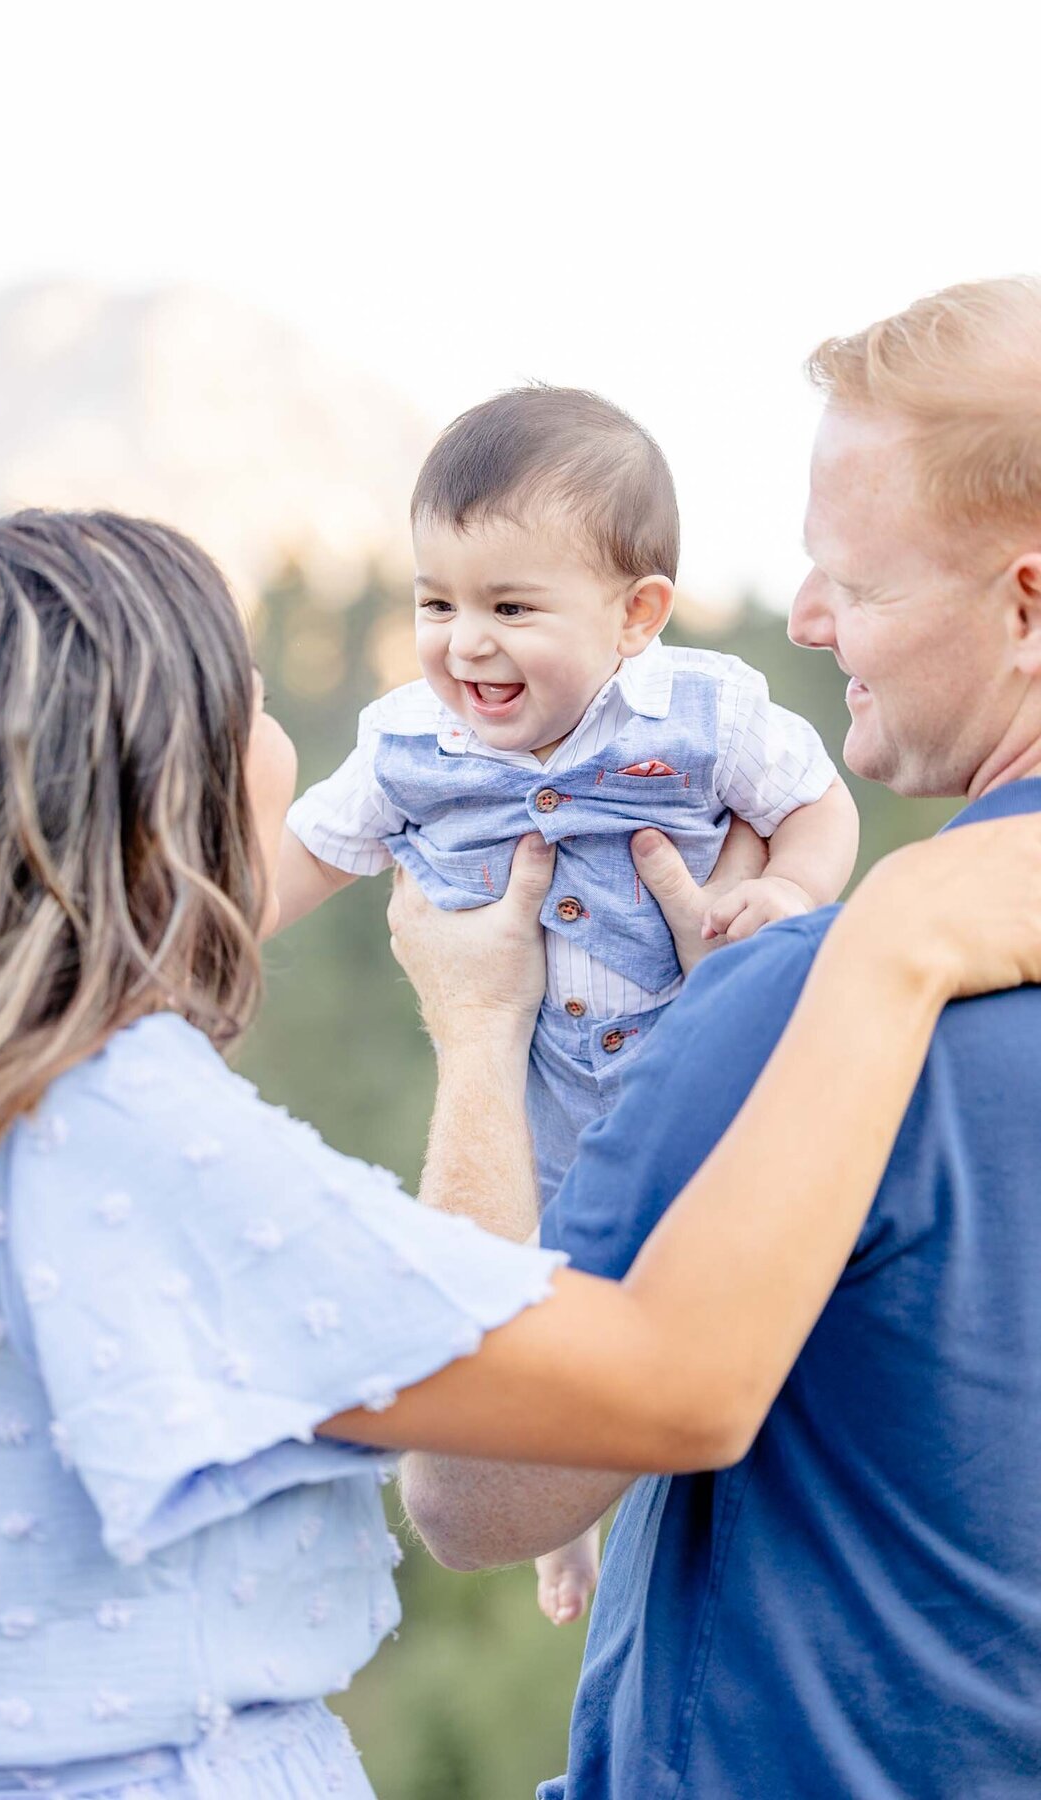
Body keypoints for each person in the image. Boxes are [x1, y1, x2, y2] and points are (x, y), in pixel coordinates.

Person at [0, 512, 1036, 1800]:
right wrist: (887, 953)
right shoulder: (123, 1138)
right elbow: (669, 1390)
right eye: (253, 707)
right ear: (157, 781)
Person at [399, 276, 1041, 1799]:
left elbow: (476, 1488)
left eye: (857, 582)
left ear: (1029, 603)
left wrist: (484, 1036)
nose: (809, 619)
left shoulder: (830, 999)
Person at [277, 386, 858, 1621]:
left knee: (706, 1309)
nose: (464, 644)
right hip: (534, 1133)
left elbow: (816, 803)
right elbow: (307, 855)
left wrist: (794, 892)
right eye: (437, 603)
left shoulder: (704, 714)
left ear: (637, 615)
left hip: (688, 1095)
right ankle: (565, 1537)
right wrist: (192, 939)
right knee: (533, 1336)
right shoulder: (406, 746)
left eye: (510, 608)